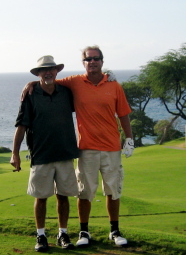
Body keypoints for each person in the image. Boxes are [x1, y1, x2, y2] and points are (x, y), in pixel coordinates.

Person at [21, 45, 134, 247]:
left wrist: (129, 139)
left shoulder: (114, 85)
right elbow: (48, 81)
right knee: (85, 192)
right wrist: (31, 82)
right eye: (88, 59)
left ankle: (114, 231)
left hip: (111, 147)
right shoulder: (74, 82)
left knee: (112, 191)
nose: (92, 62)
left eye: (96, 58)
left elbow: (123, 114)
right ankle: (84, 232)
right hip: (86, 147)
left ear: (102, 61)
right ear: (83, 63)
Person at [10, 55, 79, 252]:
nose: (48, 72)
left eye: (51, 69)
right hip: (41, 154)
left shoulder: (66, 92)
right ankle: (41, 235)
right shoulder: (30, 95)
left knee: (63, 196)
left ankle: (63, 233)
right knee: (40, 197)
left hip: (65, 152)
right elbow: (21, 126)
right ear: (38, 73)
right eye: (43, 70)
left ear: (57, 71)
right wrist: (15, 153)